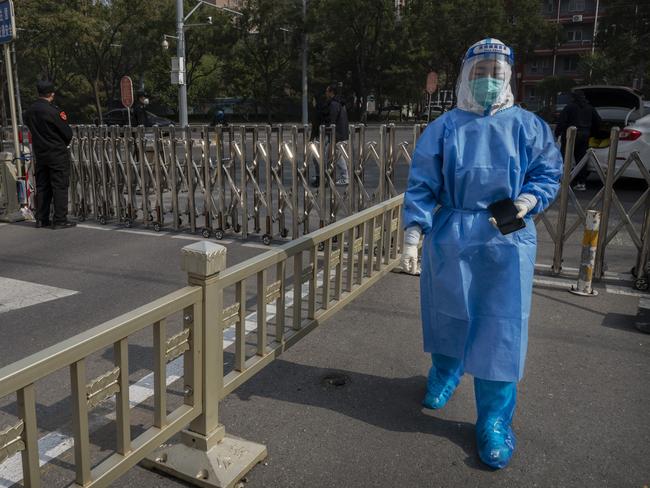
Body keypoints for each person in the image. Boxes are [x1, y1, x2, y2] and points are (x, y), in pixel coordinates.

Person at [402, 38, 562, 469]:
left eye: (497, 72)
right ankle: (445, 372)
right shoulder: (445, 128)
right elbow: (421, 183)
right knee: (448, 313)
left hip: (506, 239)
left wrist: (529, 200)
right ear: (465, 77)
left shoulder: (528, 126)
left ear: (508, 76)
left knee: (501, 330)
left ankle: (493, 420)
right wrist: (413, 233)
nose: (489, 80)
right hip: (452, 232)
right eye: (480, 73)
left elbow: (547, 173)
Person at [24, 80, 76, 229]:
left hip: (40, 153)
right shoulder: (54, 111)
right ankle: (60, 219)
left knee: (42, 186)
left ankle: (41, 218)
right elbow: (67, 133)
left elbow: (29, 126)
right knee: (59, 186)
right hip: (56, 153)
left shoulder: (30, 111)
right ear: (52, 93)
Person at [554, 90, 601, 191]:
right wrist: (592, 133)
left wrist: (557, 133)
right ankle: (581, 183)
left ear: (573, 98)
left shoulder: (569, 107)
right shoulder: (590, 108)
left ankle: (561, 180)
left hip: (570, 135)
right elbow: (598, 121)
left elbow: (561, 122)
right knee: (581, 160)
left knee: (565, 159)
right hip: (584, 135)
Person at [310, 84, 350, 187]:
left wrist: (327, 131)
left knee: (331, 156)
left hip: (336, 134)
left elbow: (332, 120)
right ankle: (326, 176)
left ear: (332, 92)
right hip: (340, 133)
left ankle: (342, 177)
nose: (326, 93)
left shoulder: (334, 104)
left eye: (327, 91)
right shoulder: (339, 103)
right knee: (335, 155)